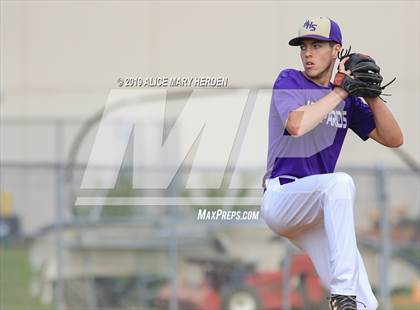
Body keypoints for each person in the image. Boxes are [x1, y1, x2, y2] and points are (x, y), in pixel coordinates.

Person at [261, 16, 403, 310]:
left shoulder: (348, 101)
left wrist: (372, 97)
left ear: (336, 49)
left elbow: (394, 139)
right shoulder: (290, 79)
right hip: (283, 198)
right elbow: (297, 125)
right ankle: (341, 295)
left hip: (315, 214)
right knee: (340, 183)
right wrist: (340, 91)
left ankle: (350, 300)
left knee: (366, 304)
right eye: (303, 46)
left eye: (317, 45)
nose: (308, 53)